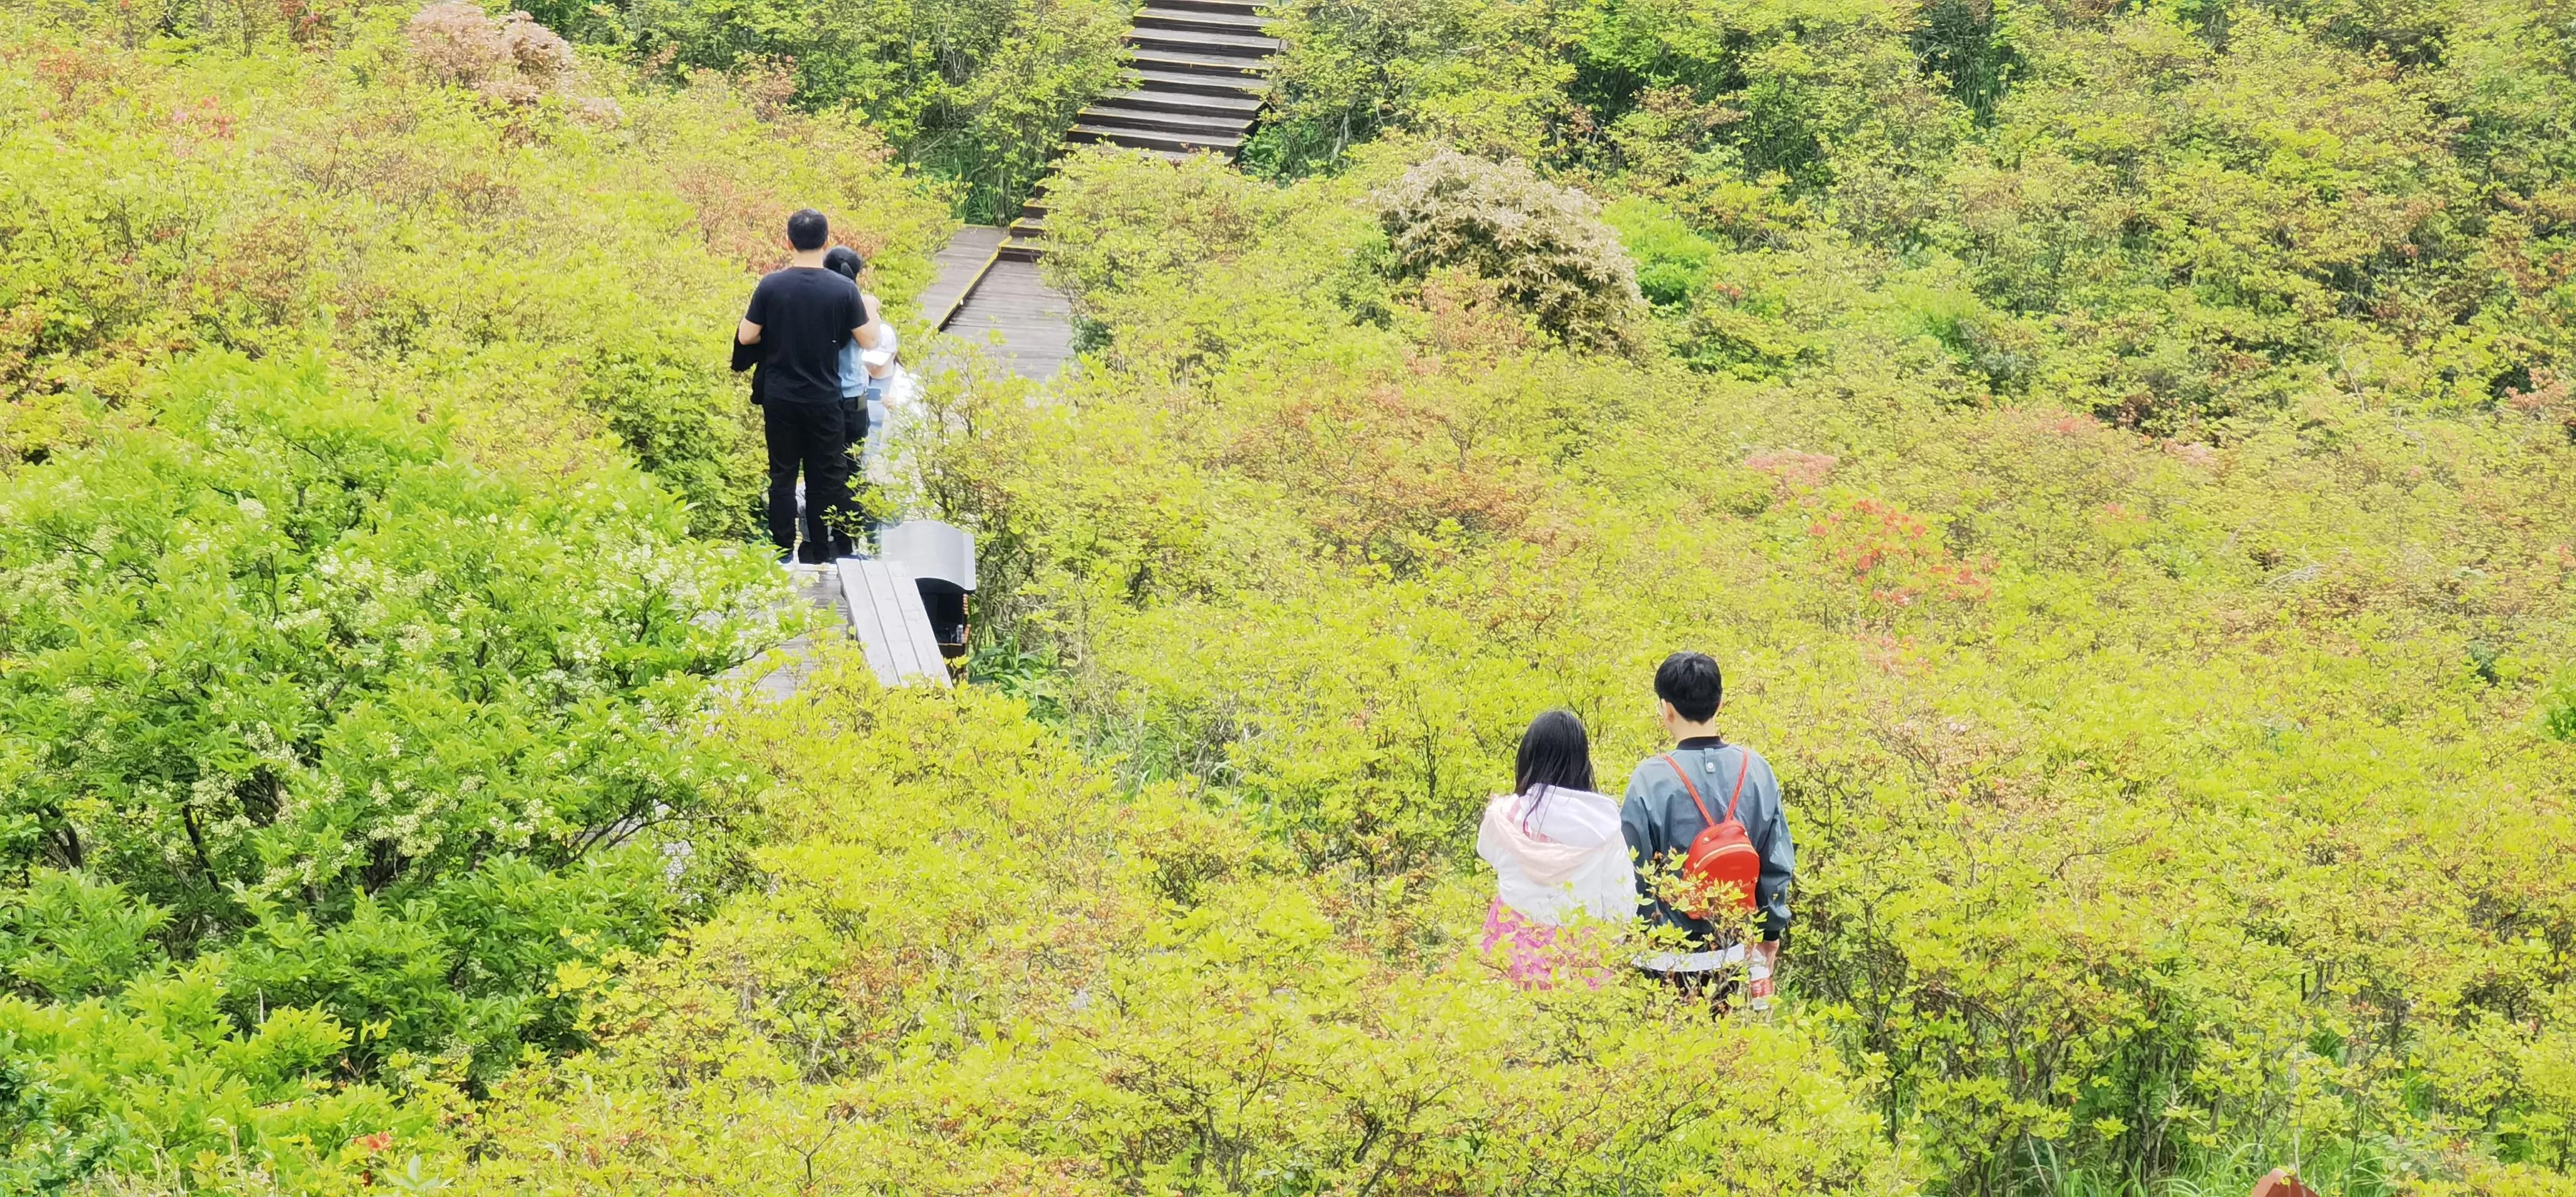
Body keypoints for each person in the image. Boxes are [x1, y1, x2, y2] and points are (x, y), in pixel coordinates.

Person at [1619, 651, 1794, 1005]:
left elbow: (1631, 872)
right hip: (1731, 953)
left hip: (1663, 960)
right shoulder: (1756, 769)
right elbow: (1776, 862)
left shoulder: (1649, 779)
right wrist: (1769, 931)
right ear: (1720, 703)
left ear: (1667, 709)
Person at [736, 209, 879, 564]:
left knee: (782, 474)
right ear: (826, 241)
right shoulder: (844, 289)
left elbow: (747, 334)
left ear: (788, 241)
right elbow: (868, 341)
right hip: (824, 398)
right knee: (823, 477)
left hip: (780, 396)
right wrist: (870, 309)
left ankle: (781, 551)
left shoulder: (771, 285)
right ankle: (818, 551)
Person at [1476, 710, 1635, 988]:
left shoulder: (1503, 815)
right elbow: (1622, 904)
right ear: (1582, 762)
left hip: (1509, 953)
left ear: (1527, 757)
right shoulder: (1604, 828)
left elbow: (1487, 851)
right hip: (1579, 962)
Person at [820, 247, 897, 538]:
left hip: (817, 395)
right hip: (851, 398)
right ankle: (846, 540)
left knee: (820, 471)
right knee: (851, 473)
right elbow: (871, 340)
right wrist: (873, 307)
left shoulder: (816, 299)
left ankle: (819, 540)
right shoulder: (857, 303)